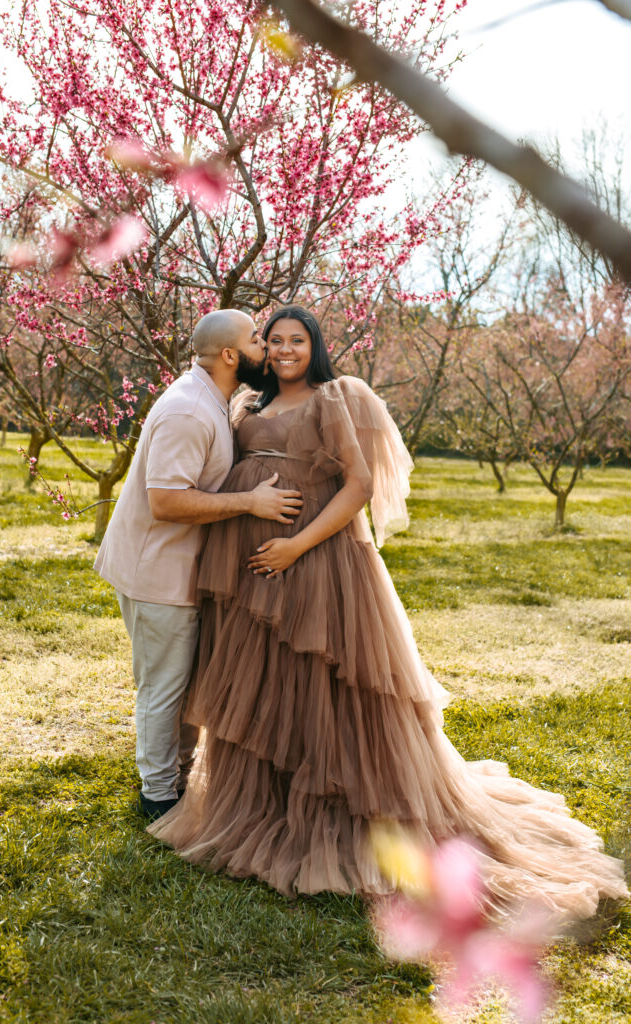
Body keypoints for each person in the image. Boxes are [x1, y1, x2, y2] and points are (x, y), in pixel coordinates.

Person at [149, 305, 628, 919]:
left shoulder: (334, 399)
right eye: (276, 340)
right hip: (250, 571)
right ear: (260, 349)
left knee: (325, 686)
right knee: (262, 687)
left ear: (314, 347)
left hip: (318, 562)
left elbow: (358, 485)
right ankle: (261, 803)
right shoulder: (245, 407)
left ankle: (336, 811)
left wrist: (297, 544)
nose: (286, 349)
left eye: (299, 340)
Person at [94, 309, 303, 822]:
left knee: (182, 685)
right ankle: (159, 796)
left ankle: (177, 778)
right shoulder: (189, 410)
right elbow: (166, 500)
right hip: (156, 573)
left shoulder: (214, 400)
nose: (267, 349)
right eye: (257, 340)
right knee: (164, 687)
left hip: (181, 570)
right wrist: (250, 503)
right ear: (231, 355)